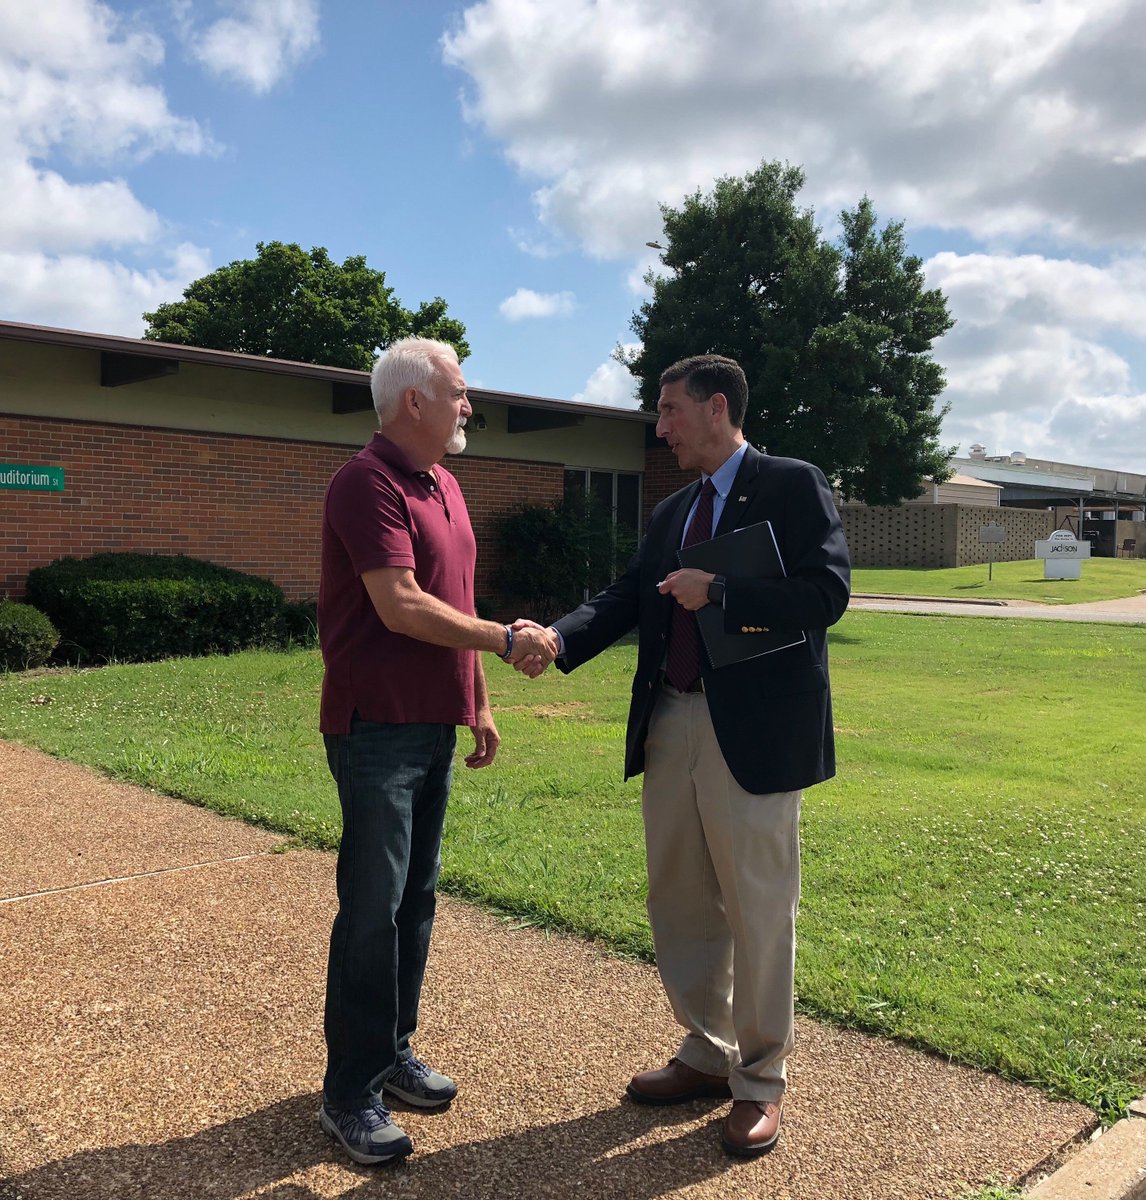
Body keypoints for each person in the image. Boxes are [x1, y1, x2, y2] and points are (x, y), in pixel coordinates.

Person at [524, 353, 849, 1157]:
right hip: (669, 720)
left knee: (759, 907)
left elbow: (827, 594)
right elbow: (628, 595)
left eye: (670, 410)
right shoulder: (672, 510)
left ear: (716, 408)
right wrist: (558, 636)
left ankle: (761, 1080)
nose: (660, 427)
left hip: (756, 735)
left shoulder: (791, 484)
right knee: (680, 898)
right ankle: (708, 1051)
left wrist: (722, 591)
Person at [316, 336, 555, 1166]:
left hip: (432, 725)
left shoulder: (443, 483)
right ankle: (349, 1092)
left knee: (415, 900)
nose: (468, 405)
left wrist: (476, 699)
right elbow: (402, 605)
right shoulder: (365, 483)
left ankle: (391, 1054)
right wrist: (506, 639)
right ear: (412, 401)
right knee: (373, 908)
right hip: (374, 728)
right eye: (458, 392)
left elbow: (453, 594)